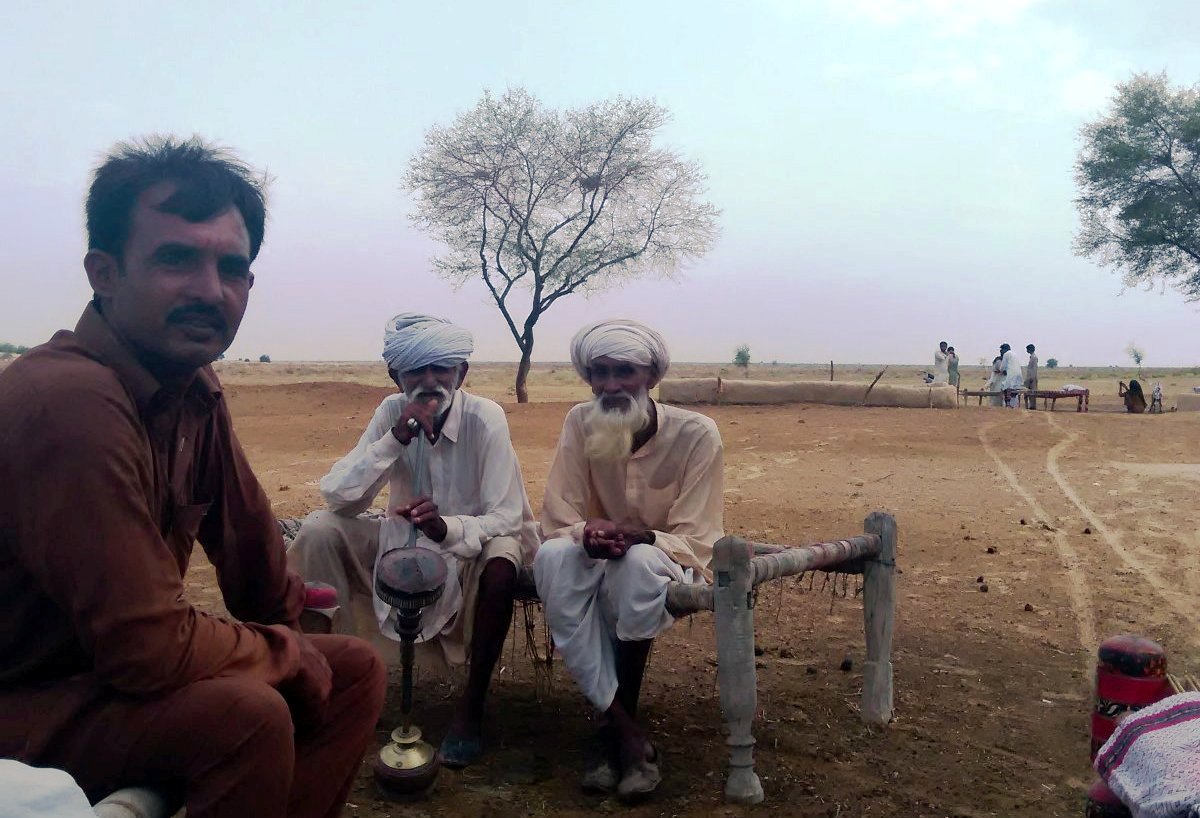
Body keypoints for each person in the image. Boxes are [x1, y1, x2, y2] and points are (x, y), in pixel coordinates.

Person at [0, 138, 386, 818]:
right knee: (243, 717)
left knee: (352, 671)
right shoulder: (67, 399)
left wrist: (293, 632)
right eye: (176, 258)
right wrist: (282, 653)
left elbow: (255, 563)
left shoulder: (192, 391)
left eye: (232, 268)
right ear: (105, 273)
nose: (211, 291)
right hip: (23, 693)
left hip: (95, 688)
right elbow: (145, 647)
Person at [287, 313, 538, 768]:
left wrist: (448, 527)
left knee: (504, 563)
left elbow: (506, 516)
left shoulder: (486, 418)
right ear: (395, 376)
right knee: (319, 530)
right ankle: (318, 681)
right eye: (415, 371)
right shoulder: (390, 412)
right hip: (399, 544)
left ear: (461, 373)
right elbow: (339, 497)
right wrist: (394, 438)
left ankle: (470, 711)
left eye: (441, 368)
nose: (429, 381)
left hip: (473, 547)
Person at [534, 319, 724, 801]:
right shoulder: (581, 421)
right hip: (593, 552)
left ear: (652, 377)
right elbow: (561, 514)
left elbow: (697, 537)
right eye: (599, 372)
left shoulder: (697, 434)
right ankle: (627, 732)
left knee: (634, 566)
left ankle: (608, 731)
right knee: (554, 556)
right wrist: (587, 532)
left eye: (624, 371)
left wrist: (639, 536)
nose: (610, 385)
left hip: (660, 558)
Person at [1000, 343, 1024, 408]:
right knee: (1014, 389)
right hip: (1018, 374)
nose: (1001, 352)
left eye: (1001, 350)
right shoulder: (1014, 354)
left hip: (1011, 373)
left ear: (1005, 349)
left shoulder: (1006, 354)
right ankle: (1013, 404)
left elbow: (1002, 367)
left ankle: (1008, 404)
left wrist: (1002, 371)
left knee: (1005, 387)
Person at [1024, 344, 1039, 409]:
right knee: (1028, 392)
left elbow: (1034, 369)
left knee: (1032, 393)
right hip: (1030, 378)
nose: (1026, 350)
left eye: (1027, 349)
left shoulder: (1034, 357)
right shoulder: (1032, 357)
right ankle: (1029, 406)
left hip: (1032, 378)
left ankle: (1032, 406)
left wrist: (1032, 378)